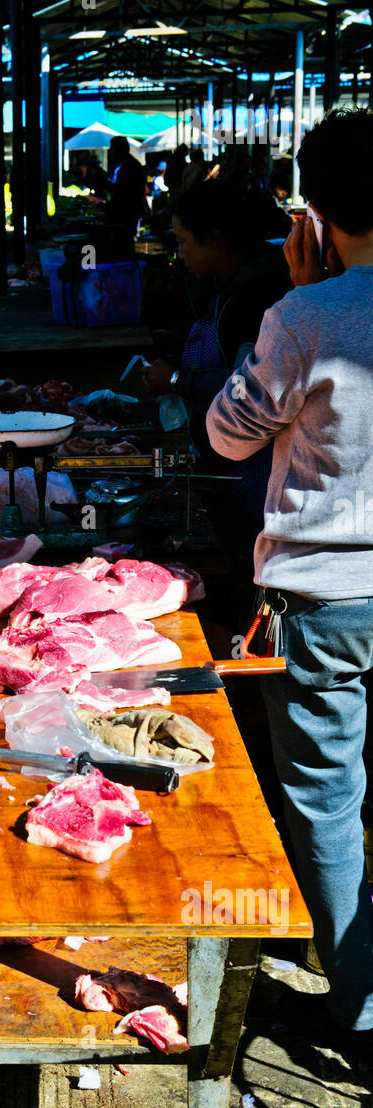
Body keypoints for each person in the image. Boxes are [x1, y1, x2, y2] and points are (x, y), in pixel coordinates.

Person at [205, 107, 373, 1048]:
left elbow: (229, 433)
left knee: (326, 801)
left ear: (312, 211)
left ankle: (356, 1002)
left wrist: (301, 297)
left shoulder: (303, 317)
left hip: (323, 599)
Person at [141, 179, 291, 558]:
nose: (178, 253)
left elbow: (246, 386)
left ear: (215, 239)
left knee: (248, 570)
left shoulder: (256, 297)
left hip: (258, 480)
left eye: (182, 241)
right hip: (230, 469)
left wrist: (177, 380)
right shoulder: (225, 287)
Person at [106, 136, 147, 247]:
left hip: (127, 214)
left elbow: (126, 194)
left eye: (113, 149)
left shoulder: (130, 167)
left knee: (124, 244)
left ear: (120, 150)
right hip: (127, 214)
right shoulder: (128, 165)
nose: (111, 152)